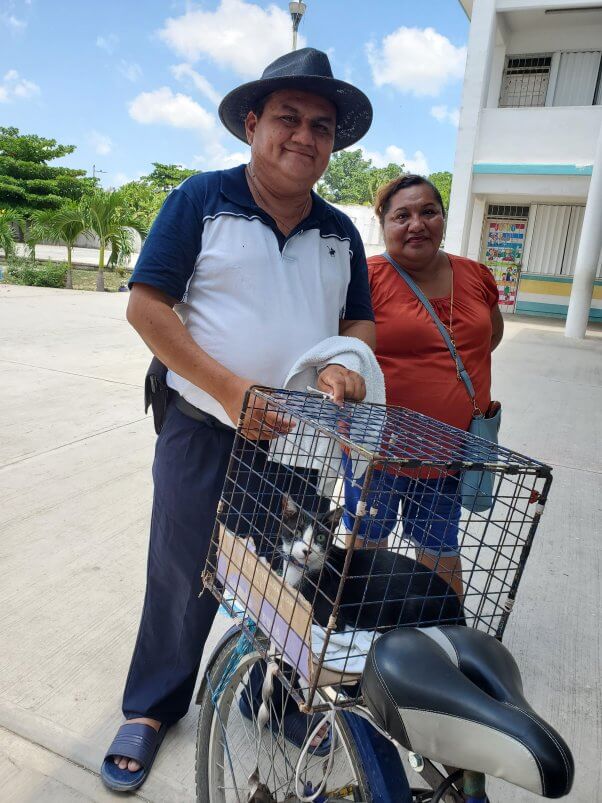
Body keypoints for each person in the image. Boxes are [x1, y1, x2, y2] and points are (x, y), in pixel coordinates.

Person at [100, 48, 378, 792]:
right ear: (252, 124)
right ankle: (153, 706)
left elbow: (356, 324)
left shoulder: (341, 232)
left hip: (301, 442)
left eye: (321, 126)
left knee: (297, 575)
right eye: (287, 118)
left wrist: (345, 366)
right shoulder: (201, 199)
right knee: (185, 570)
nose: (305, 136)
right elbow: (146, 306)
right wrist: (229, 390)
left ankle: (275, 694)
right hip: (202, 425)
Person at [343, 174, 504, 594]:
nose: (416, 223)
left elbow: (491, 336)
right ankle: (357, 626)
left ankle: (443, 629)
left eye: (428, 211)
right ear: (385, 224)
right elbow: (343, 351)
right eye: (402, 215)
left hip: (450, 447)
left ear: (443, 218)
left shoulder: (476, 276)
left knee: (439, 543)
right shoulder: (366, 276)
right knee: (367, 538)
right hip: (377, 446)